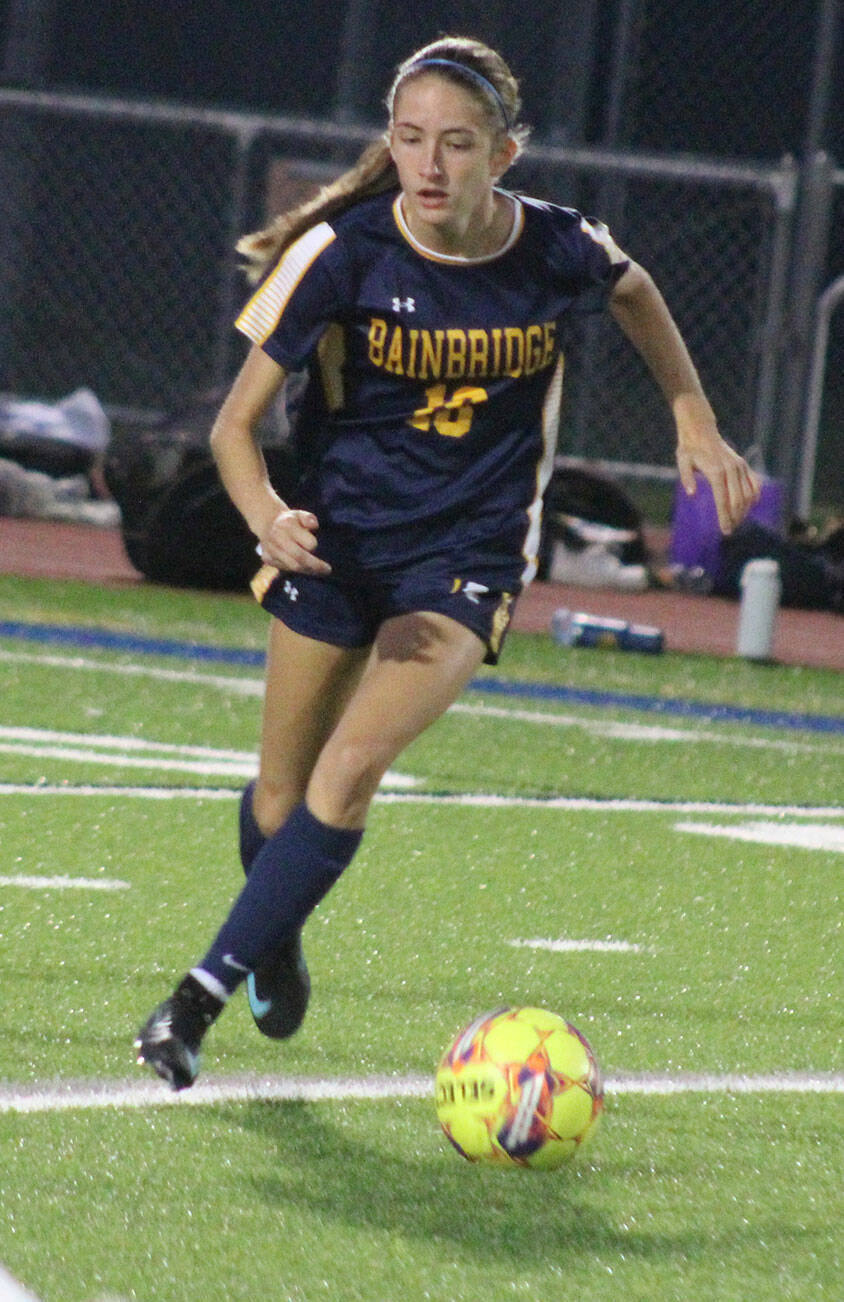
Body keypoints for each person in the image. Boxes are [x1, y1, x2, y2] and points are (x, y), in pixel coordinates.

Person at [135, 34, 761, 1089]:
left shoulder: (557, 247)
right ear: (390, 142)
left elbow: (637, 290)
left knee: (353, 767)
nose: (431, 165)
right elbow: (234, 430)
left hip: (466, 556)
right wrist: (266, 516)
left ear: (503, 156)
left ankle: (193, 999)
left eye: (458, 145)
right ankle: (270, 935)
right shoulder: (341, 254)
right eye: (413, 139)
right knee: (280, 799)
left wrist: (692, 419)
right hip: (335, 545)